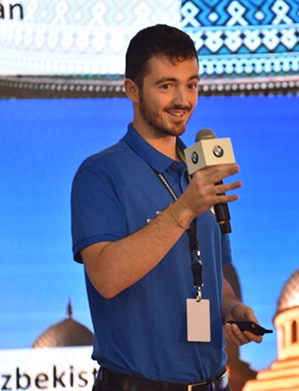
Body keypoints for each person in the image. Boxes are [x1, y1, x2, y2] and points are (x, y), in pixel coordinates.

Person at [71, 24, 263, 391]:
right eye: (166, 85)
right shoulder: (100, 174)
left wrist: (230, 309)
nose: (183, 99)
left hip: (212, 383)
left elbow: (211, 274)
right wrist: (183, 208)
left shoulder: (201, 171)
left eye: (191, 84)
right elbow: (107, 278)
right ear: (132, 90)